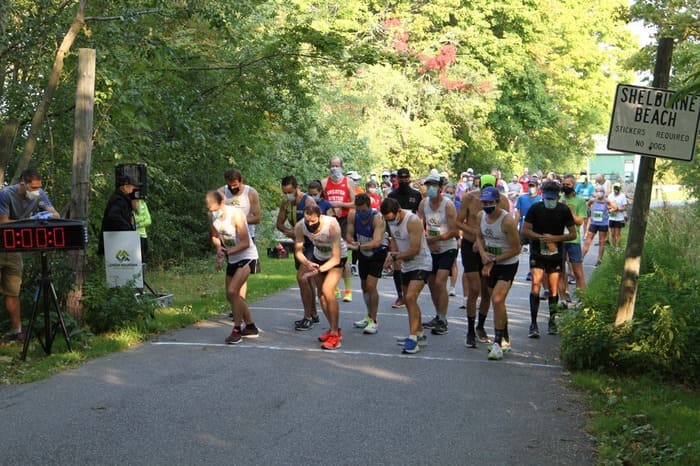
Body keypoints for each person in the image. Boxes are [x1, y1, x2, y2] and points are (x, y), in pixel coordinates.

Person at [0, 168, 60, 342]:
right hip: (1, 243)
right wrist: (28, 221)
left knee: (13, 291)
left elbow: (56, 214)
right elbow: (3, 223)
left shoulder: (39, 194)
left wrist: (46, 215)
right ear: (22, 183)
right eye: (32, 187)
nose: (36, 191)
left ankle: (16, 331)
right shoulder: (5, 194)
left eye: (38, 187)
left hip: (13, 250)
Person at [456, 174, 510, 345]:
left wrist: (484, 241)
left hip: (489, 249)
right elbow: (459, 222)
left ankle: (480, 325)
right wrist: (475, 234)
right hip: (470, 246)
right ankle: (470, 330)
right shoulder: (469, 198)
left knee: (487, 291)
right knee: (474, 288)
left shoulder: (502, 200)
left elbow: (505, 227)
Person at [521, 180, 577, 338]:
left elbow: (573, 234)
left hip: (555, 253)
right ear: (542, 195)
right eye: (548, 198)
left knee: (553, 288)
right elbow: (524, 230)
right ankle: (533, 324)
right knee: (536, 285)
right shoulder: (535, 208)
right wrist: (540, 237)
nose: (550, 201)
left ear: (558, 197)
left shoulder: (564, 209)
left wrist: (556, 238)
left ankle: (552, 321)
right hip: (538, 252)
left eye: (553, 199)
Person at [381, 197, 432, 354]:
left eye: (391, 217)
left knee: (410, 297)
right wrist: (391, 256)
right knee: (410, 301)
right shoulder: (390, 221)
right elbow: (395, 241)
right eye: (387, 219)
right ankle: (419, 333)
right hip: (406, 265)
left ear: (398, 211)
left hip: (421, 263)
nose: (390, 221)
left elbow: (415, 249)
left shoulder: (413, 220)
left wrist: (397, 257)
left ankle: (413, 338)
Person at [207, 191, 259, 344]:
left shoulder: (235, 215)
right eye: (209, 209)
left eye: (214, 208)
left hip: (247, 256)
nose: (212, 211)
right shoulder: (211, 216)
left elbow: (245, 243)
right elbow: (215, 236)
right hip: (233, 257)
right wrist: (219, 250)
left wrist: (227, 251)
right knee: (230, 296)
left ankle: (237, 330)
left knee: (233, 291)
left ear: (221, 203)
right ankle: (250, 326)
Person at [475, 187, 521, 359]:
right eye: (484, 203)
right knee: (496, 302)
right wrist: (483, 253)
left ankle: (497, 342)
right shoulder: (481, 217)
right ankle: (506, 338)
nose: (487, 206)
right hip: (491, 263)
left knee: (497, 299)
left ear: (497, 202)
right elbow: (478, 236)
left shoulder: (507, 221)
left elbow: (517, 248)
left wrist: (496, 259)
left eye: (490, 203)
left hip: (507, 263)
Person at [294, 205, 346, 350]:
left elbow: (336, 258)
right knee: (321, 296)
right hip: (319, 256)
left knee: (328, 290)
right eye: (307, 221)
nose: (310, 225)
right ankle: (333, 328)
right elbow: (298, 251)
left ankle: (335, 336)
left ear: (319, 216)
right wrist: (307, 263)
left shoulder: (331, 224)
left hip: (337, 258)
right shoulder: (300, 226)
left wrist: (314, 272)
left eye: (313, 221)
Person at [275, 176, 319, 330]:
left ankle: (307, 318)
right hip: (298, 244)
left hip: (312, 244)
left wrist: (299, 232)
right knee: (308, 282)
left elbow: (316, 225)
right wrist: (290, 232)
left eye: (290, 192)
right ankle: (313, 314)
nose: (288, 195)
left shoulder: (308, 202)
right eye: (285, 192)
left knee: (302, 278)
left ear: (297, 188)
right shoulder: (285, 203)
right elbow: (279, 223)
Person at [417, 173, 459, 336]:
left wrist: (436, 239)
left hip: (447, 247)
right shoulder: (423, 203)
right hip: (430, 247)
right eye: (428, 186)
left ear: (440, 189)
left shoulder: (448, 205)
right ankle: (438, 315)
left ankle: (443, 320)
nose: (430, 189)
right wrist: (426, 240)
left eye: (434, 186)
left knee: (441, 282)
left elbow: (455, 231)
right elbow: (418, 224)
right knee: (432, 283)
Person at [347, 194, 389, 334]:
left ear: (369, 207)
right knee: (364, 285)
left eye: (363, 210)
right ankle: (368, 315)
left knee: (371, 285)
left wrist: (358, 246)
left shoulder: (377, 218)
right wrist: (351, 242)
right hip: (363, 252)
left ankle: (374, 320)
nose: (361, 213)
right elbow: (348, 234)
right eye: (358, 210)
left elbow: (376, 241)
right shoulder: (353, 215)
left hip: (378, 252)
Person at [218, 168, 262, 302]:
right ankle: (235, 303)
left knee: (241, 273)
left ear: (241, 181)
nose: (233, 188)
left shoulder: (251, 193)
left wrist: (238, 220)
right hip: (229, 237)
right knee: (231, 273)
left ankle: (240, 302)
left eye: (235, 185)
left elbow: (257, 218)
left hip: (246, 236)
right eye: (230, 186)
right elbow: (216, 214)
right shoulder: (221, 192)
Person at [387, 167, 423, 308]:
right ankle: (400, 295)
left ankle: (411, 292)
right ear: (397, 178)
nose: (403, 180)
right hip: (396, 231)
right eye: (400, 178)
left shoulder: (416, 194)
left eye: (405, 177)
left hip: (412, 231)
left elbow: (420, 215)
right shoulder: (392, 195)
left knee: (412, 260)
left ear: (409, 178)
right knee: (397, 261)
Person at [322, 157, 356, 303]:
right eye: (332, 166)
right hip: (330, 220)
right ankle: (334, 287)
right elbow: (320, 201)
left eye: (337, 166)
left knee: (343, 256)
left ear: (342, 167)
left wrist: (341, 204)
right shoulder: (324, 182)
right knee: (331, 253)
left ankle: (348, 290)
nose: (334, 168)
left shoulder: (349, 182)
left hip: (344, 220)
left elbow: (355, 203)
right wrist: (329, 208)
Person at [559, 174, 588, 303]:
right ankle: (564, 297)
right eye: (563, 184)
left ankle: (583, 298)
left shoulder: (580, 201)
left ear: (574, 185)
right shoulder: (558, 198)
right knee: (560, 270)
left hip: (573, 240)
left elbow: (580, 221)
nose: (565, 187)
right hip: (559, 238)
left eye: (568, 185)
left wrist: (568, 211)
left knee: (577, 271)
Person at [99, 174, 138, 255]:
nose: (133, 189)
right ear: (125, 187)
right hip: (115, 241)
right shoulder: (118, 200)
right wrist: (128, 229)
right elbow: (113, 217)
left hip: (119, 241)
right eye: (131, 187)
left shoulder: (123, 199)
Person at [583, 186, 616, 266]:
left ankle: (599, 260)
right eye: (598, 191)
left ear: (604, 193)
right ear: (595, 192)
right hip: (594, 223)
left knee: (601, 242)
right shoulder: (593, 200)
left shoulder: (606, 201)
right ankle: (581, 257)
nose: (599, 192)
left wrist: (609, 211)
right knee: (588, 241)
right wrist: (591, 210)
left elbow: (615, 207)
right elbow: (587, 205)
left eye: (601, 191)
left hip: (603, 224)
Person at [608, 183, 628, 252]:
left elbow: (625, 207)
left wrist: (618, 209)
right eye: (615, 189)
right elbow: (607, 205)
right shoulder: (610, 196)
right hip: (611, 217)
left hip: (619, 217)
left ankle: (618, 247)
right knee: (612, 233)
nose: (616, 191)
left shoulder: (623, 196)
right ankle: (613, 247)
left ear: (620, 189)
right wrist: (610, 209)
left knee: (618, 233)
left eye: (617, 189)